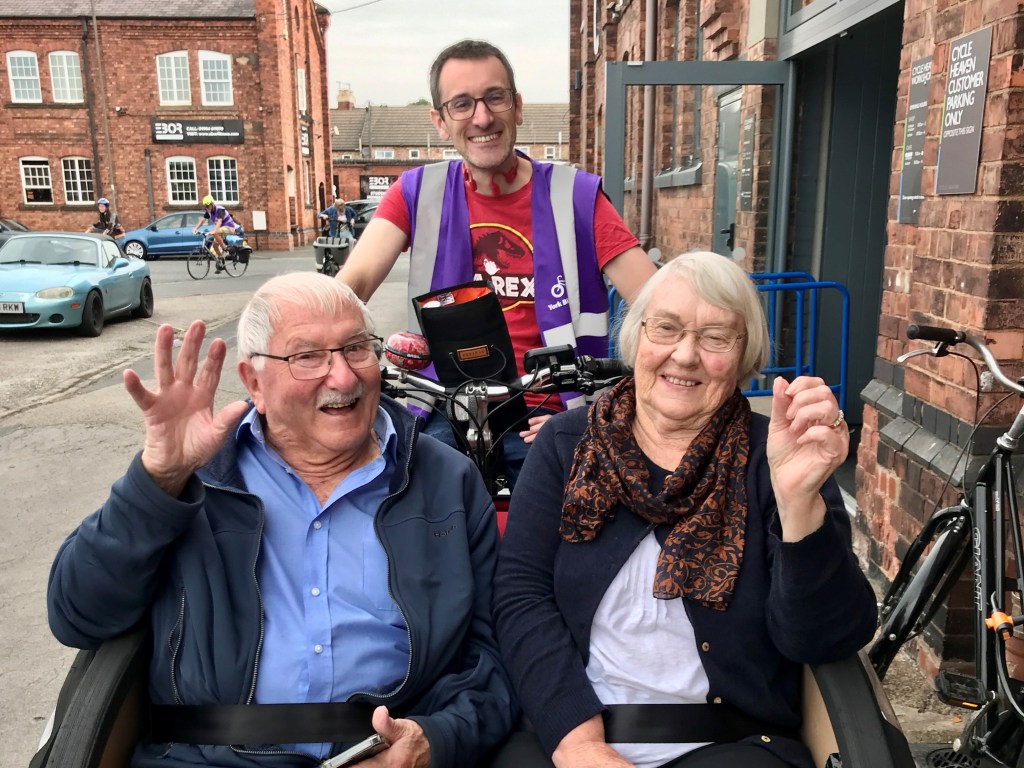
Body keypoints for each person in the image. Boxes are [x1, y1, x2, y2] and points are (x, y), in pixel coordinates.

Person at [47, 273, 517, 767]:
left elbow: (496, 661)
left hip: (379, 753)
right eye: (307, 357)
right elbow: (79, 615)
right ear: (254, 383)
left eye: (356, 348)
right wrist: (156, 482)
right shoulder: (198, 476)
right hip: (208, 758)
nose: (343, 377)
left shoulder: (447, 482)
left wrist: (434, 739)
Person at [492, 251, 878, 768]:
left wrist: (798, 501)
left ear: (744, 357)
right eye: (666, 328)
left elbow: (825, 637)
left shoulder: (776, 457)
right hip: (569, 732)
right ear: (637, 338)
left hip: (729, 745)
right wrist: (579, 744)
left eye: (716, 337)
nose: (685, 355)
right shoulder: (567, 444)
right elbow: (521, 596)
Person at [336, 39, 657, 487]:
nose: (482, 117)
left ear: (518, 106)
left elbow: (659, 303)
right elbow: (351, 286)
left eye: (495, 97)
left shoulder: (575, 196)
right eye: (462, 104)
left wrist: (614, 404)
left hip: (553, 407)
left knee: (570, 535)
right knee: (406, 505)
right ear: (441, 122)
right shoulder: (416, 192)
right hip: (444, 402)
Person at [193, 194, 238, 273]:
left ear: (212, 204)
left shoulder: (219, 209)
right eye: (205, 206)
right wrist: (195, 228)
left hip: (229, 227)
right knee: (215, 246)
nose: (206, 208)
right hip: (221, 229)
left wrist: (214, 231)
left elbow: (219, 222)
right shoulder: (209, 211)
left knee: (215, 232)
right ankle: (221, 262)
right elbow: (202, 220)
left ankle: (225, 249)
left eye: (208, 206)